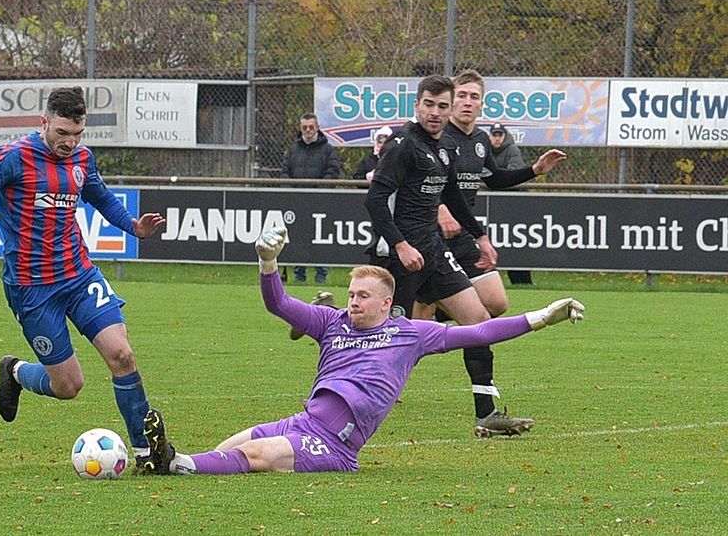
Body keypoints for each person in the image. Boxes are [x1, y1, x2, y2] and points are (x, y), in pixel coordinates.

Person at [139, 226, 584, 475]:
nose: (352, 301)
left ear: (386, 303)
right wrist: (267, 263)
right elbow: (278, 304)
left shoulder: (411, 334)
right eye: (351, 294)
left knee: (260, 456)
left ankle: (173, 462)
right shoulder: (331, 322)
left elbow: (480, 331)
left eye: (362, 296)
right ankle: (173, 463)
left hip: (334, 445)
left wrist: (542, 317)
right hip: (302, 423)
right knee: (230, 447)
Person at [0, 87, 167, 471]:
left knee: (122, 354)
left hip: (78, 275)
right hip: (32, 289)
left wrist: (134, 227)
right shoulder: (13, 158)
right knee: (69, 386)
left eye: (78, 134)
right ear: (44, 123)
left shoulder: (82, 159)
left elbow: (101, 197)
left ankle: (146, 453)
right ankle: (15, 371)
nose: (70, 143)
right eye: (62, 133)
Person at [363, 75, 567, 437]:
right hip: (399, 258)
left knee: (478, 321)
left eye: (442, 106)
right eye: (429, 104)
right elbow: (375, 200)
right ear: (417, 105)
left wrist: (481, 237)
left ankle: (486, 414)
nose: (435, 112)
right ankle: (335, 379)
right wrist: (400, 245)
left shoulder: (444, 147)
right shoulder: (402, 145)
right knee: (385, 337)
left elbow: (454, 197)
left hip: (434, 253)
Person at [280, 113, 341, 284]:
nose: (308, 130)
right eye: (304, 127)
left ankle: (321, 274)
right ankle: (299, 275)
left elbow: (333, 172)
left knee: (320, 238)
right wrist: (290, 191)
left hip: (319, 203)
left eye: (311, 127)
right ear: (300, 129)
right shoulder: (293, 150)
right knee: (298, 238)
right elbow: (284, 172)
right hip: (297, 202)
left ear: (317, 128)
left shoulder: (327, 149)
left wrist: (319, 193)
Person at [488, 121, 533, 285]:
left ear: (504, 136)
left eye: (500, 135)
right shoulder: (483, 149)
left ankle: (522, 281)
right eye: (494, 135)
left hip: (513, 204)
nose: (497, 138)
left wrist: (493, 179)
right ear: (490, 136)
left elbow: (514, 173)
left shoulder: (512, 149)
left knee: (515, 241)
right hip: (493, 204)